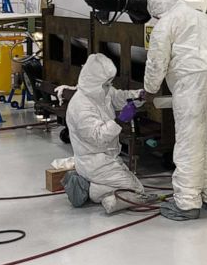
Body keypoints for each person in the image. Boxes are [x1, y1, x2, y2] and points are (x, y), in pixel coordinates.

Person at [144, 0, 207, 221]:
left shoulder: (166, 24)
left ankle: (187, 203)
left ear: (156, 11)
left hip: (193, 81)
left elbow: (156, 62)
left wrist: (149, 90)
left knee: (190, 142)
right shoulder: (204, 17)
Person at [65, 53, 155, 214]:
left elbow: (118, 96)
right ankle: (97, 193)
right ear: (94, 82)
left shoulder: (100, 92)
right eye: (106, 84)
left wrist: (138, 96)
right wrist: (120, 120)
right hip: (93, 161)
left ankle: (88, 186)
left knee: (130, 185)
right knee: (136, 191)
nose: (109, 87)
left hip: (107, 157)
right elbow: (98, 138)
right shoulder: (80, 106)